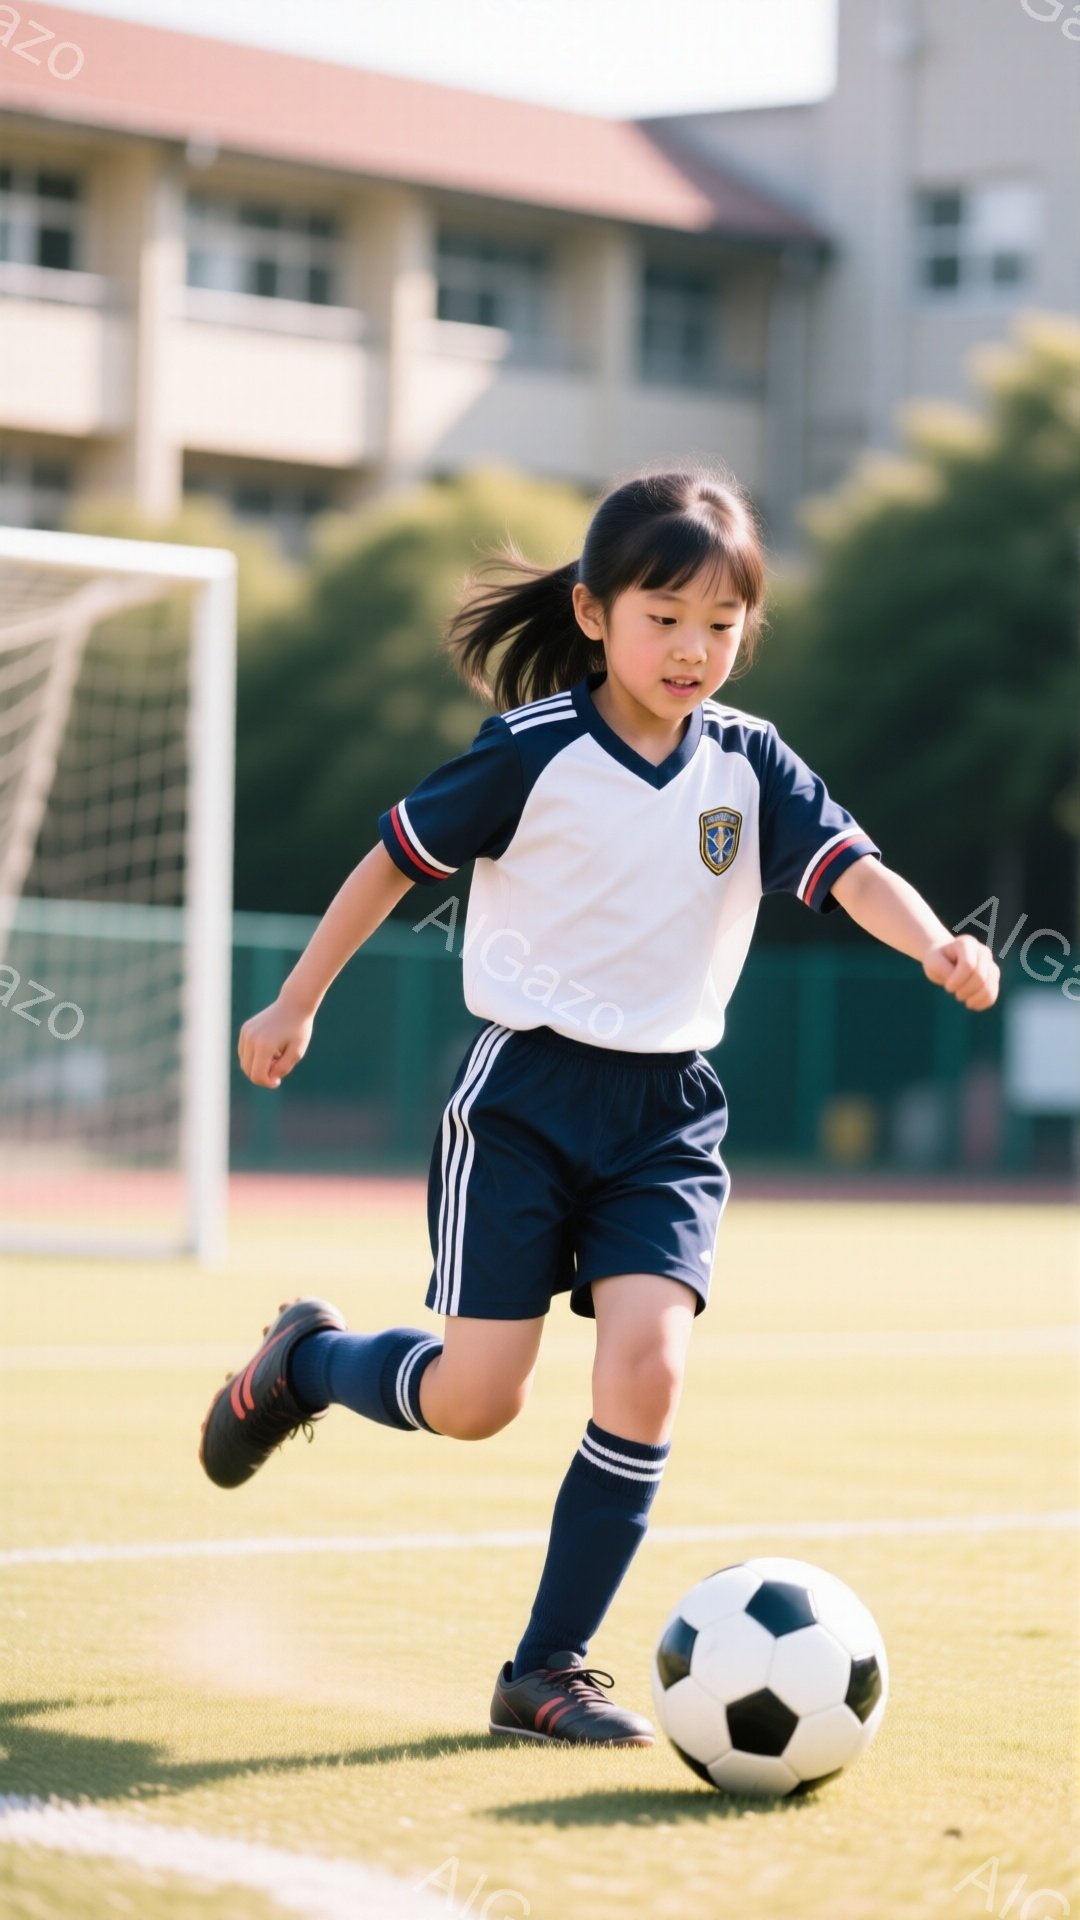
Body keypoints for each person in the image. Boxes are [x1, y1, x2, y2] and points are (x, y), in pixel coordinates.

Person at [199, 466, 999, 1747]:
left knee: (649, 1368)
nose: (694, 650)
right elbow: (392, 863)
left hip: (669, 1116)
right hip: (521, 1099)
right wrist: (295, 1002)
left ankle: (546, 1672)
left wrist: (935, 944)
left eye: (723, 624)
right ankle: (303, 1361)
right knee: (478, 1399)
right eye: (663, 617)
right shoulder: (535, 753)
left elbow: (852, 870)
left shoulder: (751, 764)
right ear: (592, 612)